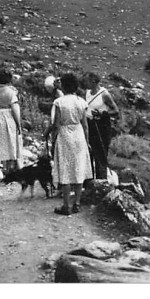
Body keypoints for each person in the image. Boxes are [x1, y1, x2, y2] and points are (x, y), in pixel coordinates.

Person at [47, 72, 92, 215]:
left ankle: (66, 206)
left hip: (65, 135)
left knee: (65, 170)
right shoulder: (81, 101)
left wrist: (53, 140)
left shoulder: (59, 102)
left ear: (64, 86)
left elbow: (56, 124)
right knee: (78, 167)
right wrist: (87, 141)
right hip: (78, 134)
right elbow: (85, 125)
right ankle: (77, 203)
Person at [84, 75, 120, 180]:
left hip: (102, 127)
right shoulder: (87, 93)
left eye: (88, 81)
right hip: (90, 125)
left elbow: (115, 111)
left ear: (94, 82)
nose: (86, 84)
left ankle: (102, 181)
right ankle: (90, 182)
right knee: (89, 153)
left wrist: (102, 113)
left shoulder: (104, 94)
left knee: (101, 155)